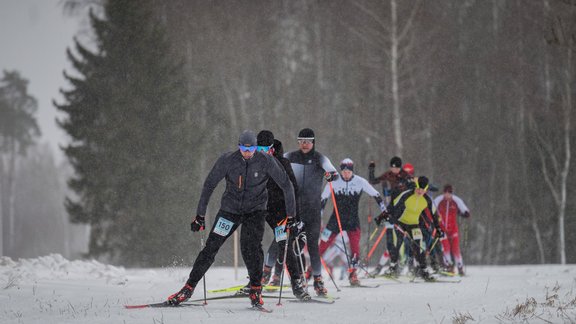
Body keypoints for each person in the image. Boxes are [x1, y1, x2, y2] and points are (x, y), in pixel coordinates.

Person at [167, 130, 296, 308]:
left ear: (256, 148)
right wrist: (200, 215)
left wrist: (291, 216)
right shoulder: (227, 160)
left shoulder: (266, 161)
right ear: (239, 146)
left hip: (255, 211)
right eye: (244, 148)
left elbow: (287, 185)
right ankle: (188, 288)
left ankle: (256, 289)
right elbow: (209, 185)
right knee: (211, 247)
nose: (247, 153)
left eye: (251, 149)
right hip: (230, 210)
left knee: (250, 247)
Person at [254, 131, 310, 300]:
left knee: (284, 245)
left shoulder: (282, 162)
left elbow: (294, 190)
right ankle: (255, 281)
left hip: (279, 212)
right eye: (259, 148)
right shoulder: (252, 161)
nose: (262, 151)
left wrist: (296, 217)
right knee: (251, 244)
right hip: (259, 209)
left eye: (265, 148)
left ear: (272, 148)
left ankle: (296, 284)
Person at [285, 128, 338, 296]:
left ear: (313, 142)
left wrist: (330, 176)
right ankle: (298, 278)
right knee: (293, 246)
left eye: (308, 141)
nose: (305, 144)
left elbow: (333, 172)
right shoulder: (291, 156)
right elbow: (274, 163)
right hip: (295, 210)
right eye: (301, 141)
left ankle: (318, 280)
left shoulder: (319, 158)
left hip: (313, 210)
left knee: (313, 247)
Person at [318, 158, 386, 286]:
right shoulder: (333, 181)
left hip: (352, 221)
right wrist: (319, 217)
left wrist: (384, 210)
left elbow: (376, 194)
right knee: (322, 246)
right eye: (343, 171)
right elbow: (323, 200)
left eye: (348, 171)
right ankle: (311, 272)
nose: (346, 174)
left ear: (352, 171)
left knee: (355, 250)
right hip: (335, 220)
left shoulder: (360, 181)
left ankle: (353, 274)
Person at [380, 176, 444, 281]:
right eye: (418, 188)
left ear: (426, 189)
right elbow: (394, 207)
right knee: (398, 244)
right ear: (416, 186)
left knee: (418, 247)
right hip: (401, 222)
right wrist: (388, 218)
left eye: (423, 190)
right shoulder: (406, 194)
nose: (420, 191)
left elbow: (434, 215)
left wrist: (438, 228)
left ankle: (423, 270)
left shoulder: (427, 199)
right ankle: (393, 267)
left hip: (414, 224)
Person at [369, 156, 411, 276]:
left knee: (400, 239)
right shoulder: (388, 175)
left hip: (402, 211)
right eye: (392, 168)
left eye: (396, 168)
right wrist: (371, 168)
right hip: (389, 210)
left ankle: (399, 265)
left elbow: (413, 189)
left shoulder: (406, 176)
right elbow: (373, 181)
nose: (394, 170)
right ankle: (393, 265)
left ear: (400, 167)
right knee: (389, 240)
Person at [433, 184, 470, 276]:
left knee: (455, 248)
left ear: (451, 193)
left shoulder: (456, 200)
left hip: (453, 229)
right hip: (442, 229)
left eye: (449, 193)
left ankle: (460, 267)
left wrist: (464, 213)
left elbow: (465, 210)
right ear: (443, 192)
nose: (447, 195)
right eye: (445, 192)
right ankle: (448, 266)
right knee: (446, 247)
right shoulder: (439, 200)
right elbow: (431, 209)